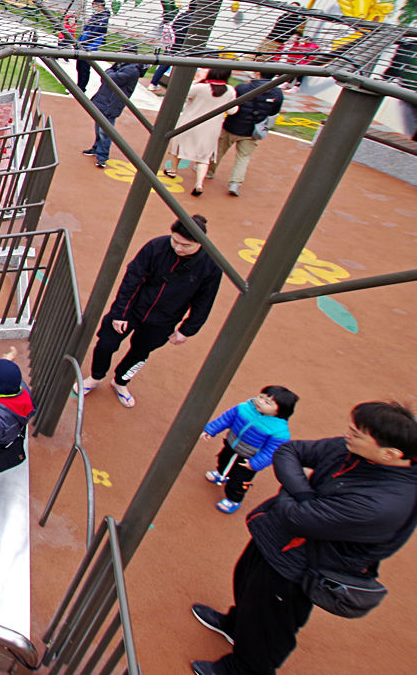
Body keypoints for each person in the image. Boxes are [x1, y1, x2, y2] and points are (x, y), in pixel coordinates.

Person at [190, 400, 417, 675]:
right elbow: (290, 451)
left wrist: (297, 494)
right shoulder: (352, 449)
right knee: (247, 582)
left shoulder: (383, 503)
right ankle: (236, 626)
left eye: (358, 433)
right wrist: (305, 494)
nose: (348, 433)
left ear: (391, 454)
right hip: (278, 540)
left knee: (271, 624)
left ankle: (244, 669)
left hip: (300, 568)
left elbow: (297, 518)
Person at [80, 214, 223, 407]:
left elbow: (204, 301)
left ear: (200, 243)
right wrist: (121, 313)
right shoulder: (156, 246)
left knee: (140, 354)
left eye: (186, 245)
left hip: (163, 321)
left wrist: (187, 329)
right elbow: (132, 279)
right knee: (106, 343)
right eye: (175, 241)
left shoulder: (211, 266)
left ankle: (121, 382)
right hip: (132, 308)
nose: (178, 248)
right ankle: (96, 376)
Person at [202, 386, 299, 514]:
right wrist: (210, 430)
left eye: (267, 402)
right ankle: (222, 474)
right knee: (223, 459)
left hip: (249, 459)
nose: (260, 401)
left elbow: (272, 452)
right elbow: (226, 419)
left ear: (280, 411)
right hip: (231, 445)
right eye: (261, 397)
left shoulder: (279, 431)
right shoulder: (243, 408)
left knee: (239, 481)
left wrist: (254, 464)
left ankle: (233, 500)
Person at [209, 72, 284, 196]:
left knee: (219, 150)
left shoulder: (242, 88)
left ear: (258, 74)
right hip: (252, 131)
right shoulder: (277, 94)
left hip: (232, 126)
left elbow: (232, 106)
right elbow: (273, 114)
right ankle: (235, 183)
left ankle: (209, 172)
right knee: (243, 158)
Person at [164, 68, 236, 196]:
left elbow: (184, 96)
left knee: (178, 147)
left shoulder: (201, 87)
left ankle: (173, 170)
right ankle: (199, 184)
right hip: (211, 127)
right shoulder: (230, 90)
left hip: (190, 123)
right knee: (204, 157)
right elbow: (232, 111)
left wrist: (196, 84)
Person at [83, 60, 147, 168]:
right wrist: (110, 72)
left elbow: (110, 78)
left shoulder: (131, 70)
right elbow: (107, 76)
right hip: (106, 100)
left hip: (111, 104)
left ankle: (102, 156)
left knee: (106, 130)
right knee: (99, 126)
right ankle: (97, 147)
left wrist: (109, 72)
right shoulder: (123, 65)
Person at [77, 0, 111, 91]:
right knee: (79, 66)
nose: (93, 8)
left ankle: (81, 87)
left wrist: (85, 42)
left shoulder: (103, 18)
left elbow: (95, 32)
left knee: (84, 67)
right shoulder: (95, 15)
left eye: (94, 6)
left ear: (99, 6)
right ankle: (78, 85)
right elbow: (86, 28)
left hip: (90, 46)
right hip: (84, 43)